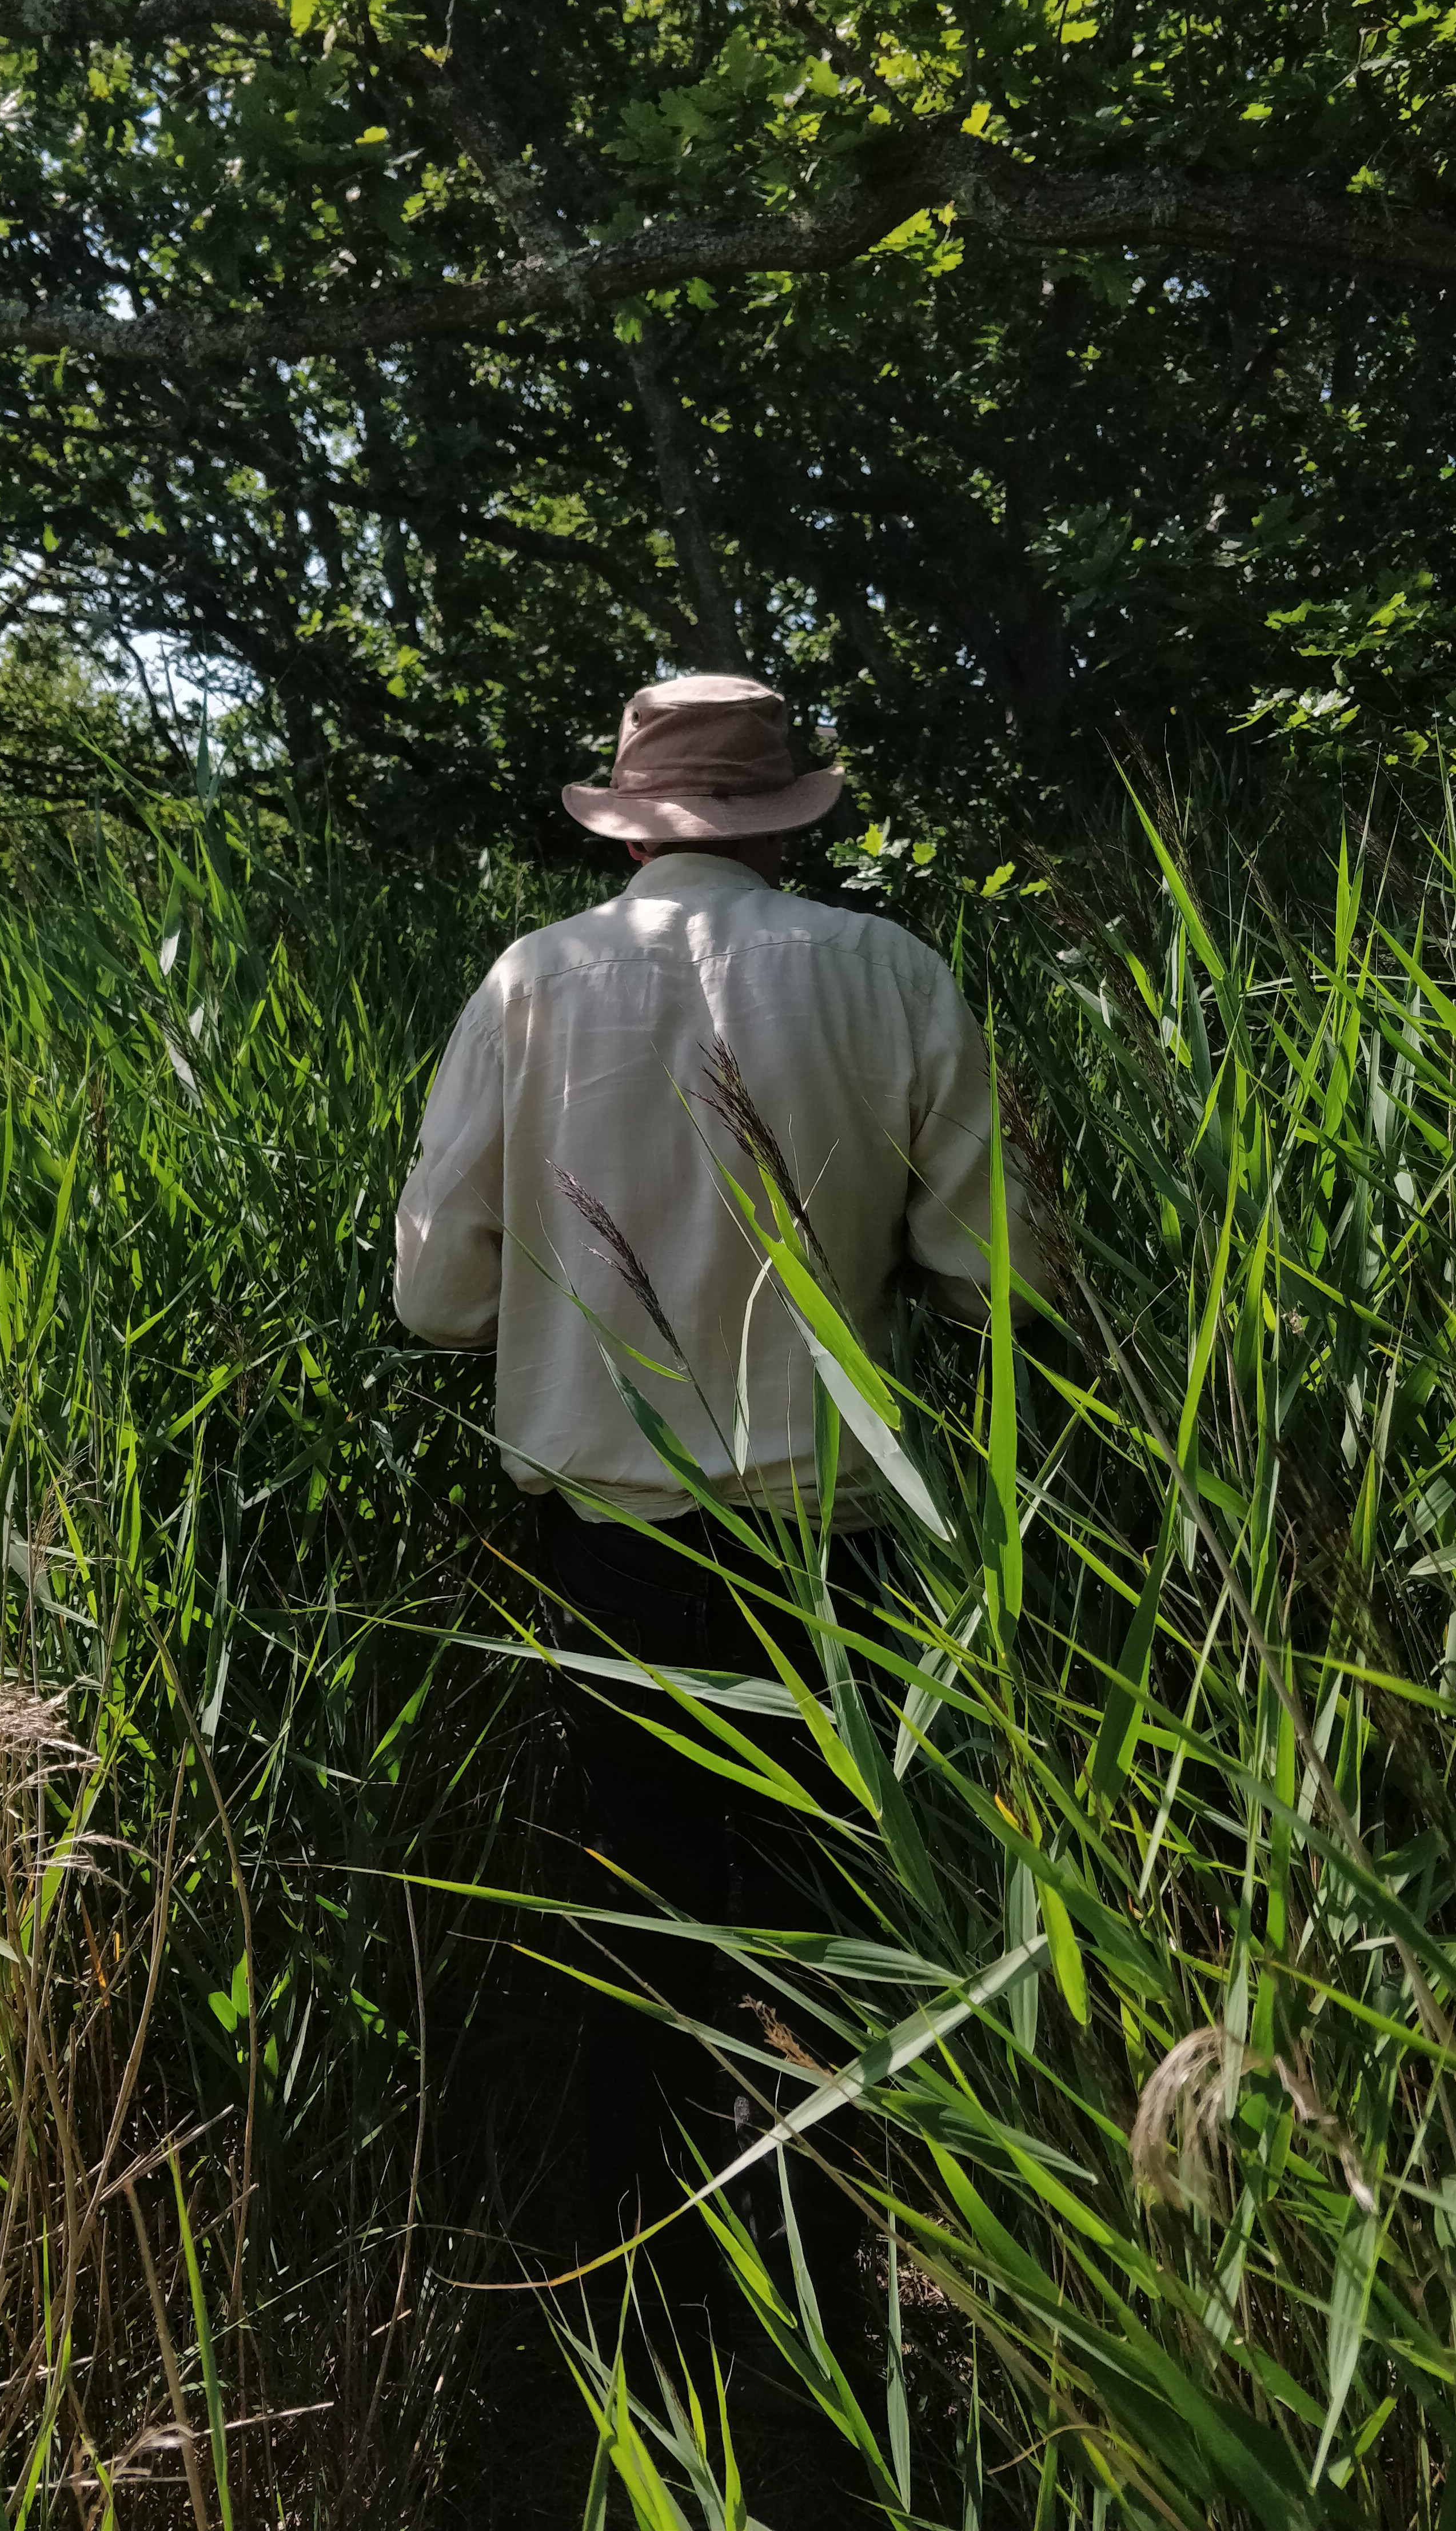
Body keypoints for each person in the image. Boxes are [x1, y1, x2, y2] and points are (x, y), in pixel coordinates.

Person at [393, 672, 1043, 2354]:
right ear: (790, 815)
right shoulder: (889, 973)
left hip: (600, 1542)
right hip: (832, 1537)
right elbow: (997, 1281)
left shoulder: (533, 981)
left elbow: (436, 1300)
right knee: (841, 1922)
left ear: (629, 812)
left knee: (634, 1915)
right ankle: (841, 2298)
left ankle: (628, 2292)